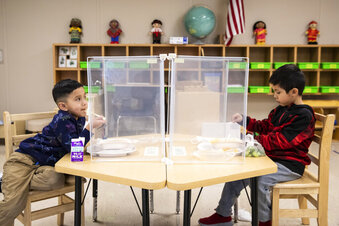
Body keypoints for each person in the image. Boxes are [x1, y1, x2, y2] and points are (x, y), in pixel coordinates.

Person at [198, 64, 315, 226]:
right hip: (271, 159)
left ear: (294, 92)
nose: (274, 95)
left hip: (290, 165)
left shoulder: (304, 116)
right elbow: (264, 126)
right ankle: (223, 214)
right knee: (238, 172)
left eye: (278, 92)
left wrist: (250, 138)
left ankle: (265, 221)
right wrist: (245, 121)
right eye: (274, 91)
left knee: (261, 180)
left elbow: (281, 141)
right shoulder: (280, 110)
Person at [0, 79, 105, 225]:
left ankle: (13, 181)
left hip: (44, 165)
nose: (84, 103)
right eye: (78, 99)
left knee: (55, 179)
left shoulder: (78, 118)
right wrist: (89, 128)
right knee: (13, 204)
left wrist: (90, 124)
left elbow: (76, 152)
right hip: (23, 160)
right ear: (63, 106)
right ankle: (8, 180)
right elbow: (75, 150)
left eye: (85, 97)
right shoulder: (63, 119)